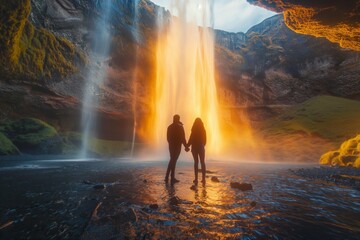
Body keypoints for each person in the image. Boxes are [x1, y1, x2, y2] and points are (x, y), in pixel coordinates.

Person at [165, 114, 187, 184]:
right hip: (177, 146)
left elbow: (168, 138)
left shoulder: (169, 127)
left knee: (172, 160)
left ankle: (168, 177)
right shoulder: (180, 127)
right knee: (173, 160)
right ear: (178, 119)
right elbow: (183, 138)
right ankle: (171, 177)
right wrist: (186, 146)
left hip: (171, 145)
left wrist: (170, 143)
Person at [187, 118, 206, 185]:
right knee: (202, 162)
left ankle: (196, 179)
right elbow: (205, 139)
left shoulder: (194, 130)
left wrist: (187, 146)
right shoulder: (203, 130)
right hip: (201, 147)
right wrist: (203, 145)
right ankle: (203, 179)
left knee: (196, 162)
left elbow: (191, 139)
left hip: (194, 147)